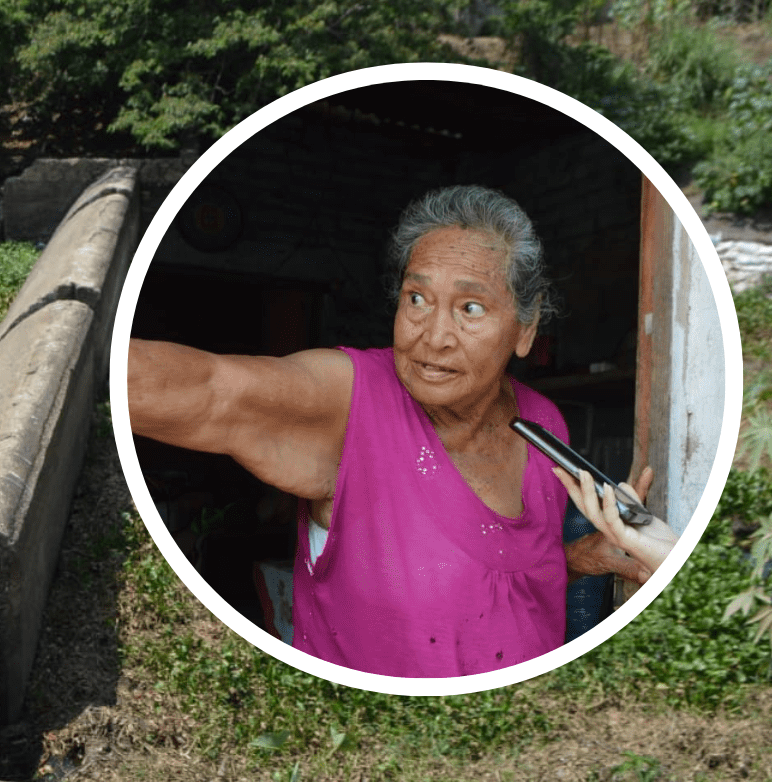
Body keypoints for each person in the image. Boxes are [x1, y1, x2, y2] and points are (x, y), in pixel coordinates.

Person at [127, 184, 648, 678]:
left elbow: (495, 585)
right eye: (416, 299)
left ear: (525, 330)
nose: (434, 337)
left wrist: (576, 561)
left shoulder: (543, 425)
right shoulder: (348, 405)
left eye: (470, 308)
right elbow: (209, 387)